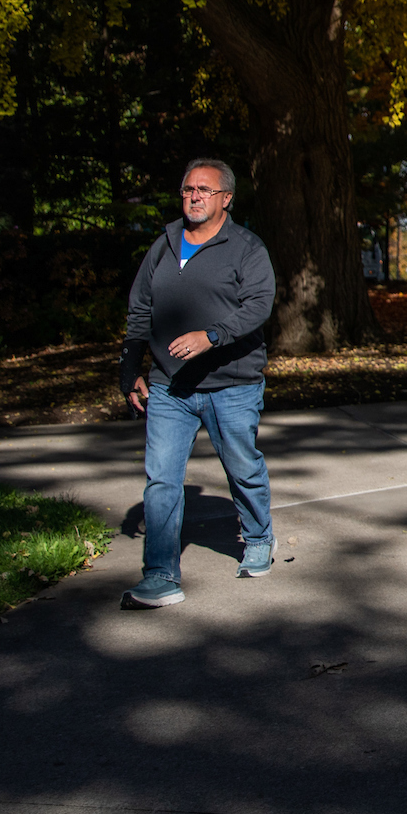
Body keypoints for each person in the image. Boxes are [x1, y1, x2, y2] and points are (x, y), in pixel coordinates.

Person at [119, 158, 277, 609]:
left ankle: (259, 536)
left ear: (226, 199)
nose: (193, 196)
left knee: (242, 466)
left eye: (204, 190)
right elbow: (141, 308)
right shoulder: (165, 244)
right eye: (188, 188)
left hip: (232, 382)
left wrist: (212, 336)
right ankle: (160, 575)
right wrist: (130, 366)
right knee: (161, 478)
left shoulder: (247, 247)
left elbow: (258, 305)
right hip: (170, 385)